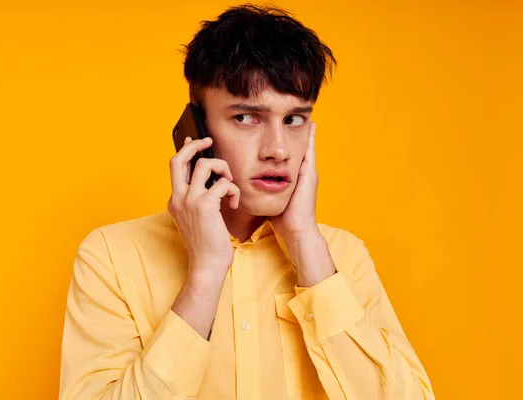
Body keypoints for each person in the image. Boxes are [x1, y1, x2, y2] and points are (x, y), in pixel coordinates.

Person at [59, 4, 435, 399]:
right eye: (246, 118)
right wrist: (205, 274)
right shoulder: (112, 257)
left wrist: (307, 247)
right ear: (196, 129)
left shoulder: (344, 258)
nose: (278, 150)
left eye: (294, 120)